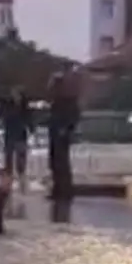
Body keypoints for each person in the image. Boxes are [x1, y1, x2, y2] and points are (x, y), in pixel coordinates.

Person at [0, 86, 34, 194]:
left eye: (18, 95)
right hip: (10, 134)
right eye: (14, 94)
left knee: (21, 159)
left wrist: (31, 127)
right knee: (8, 159)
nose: (16, 97)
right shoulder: (6, 105)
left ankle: (21, 180)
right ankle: (9, 182)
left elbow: (29, 118)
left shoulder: (24, 106)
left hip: (20, 135)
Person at [47, 71, 80, 202]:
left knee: (61, 163)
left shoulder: (66, 101)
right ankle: (59, 190)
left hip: (60, 134)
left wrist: (65, 129)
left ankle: (64, 191)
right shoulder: (58, 101)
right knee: (56, 163)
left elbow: (72, 118)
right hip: (56, 133)